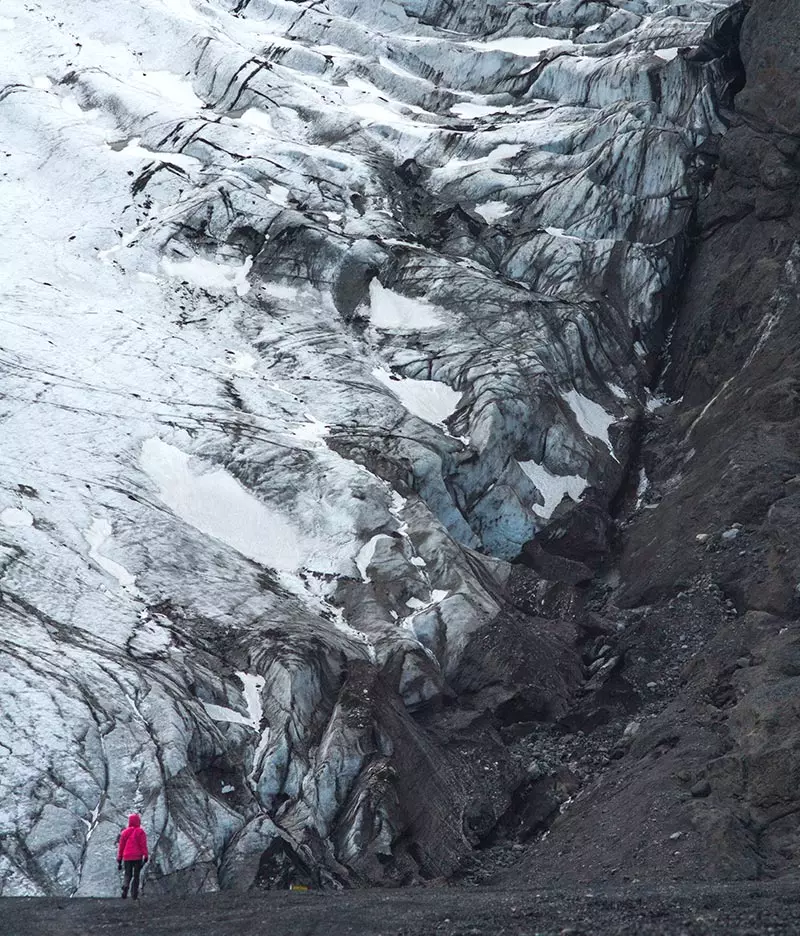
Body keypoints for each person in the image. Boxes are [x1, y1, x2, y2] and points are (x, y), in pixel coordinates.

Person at [116, 813, 149, 899]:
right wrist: (145, 855)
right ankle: (134, 894)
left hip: (127, 856)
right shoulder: (140, 832)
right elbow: (143, 845)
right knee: (136, 875)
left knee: (128, 873)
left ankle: (125, 886)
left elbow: (121, 846)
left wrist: (119, 858)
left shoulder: (125, 833)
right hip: (137, 857)